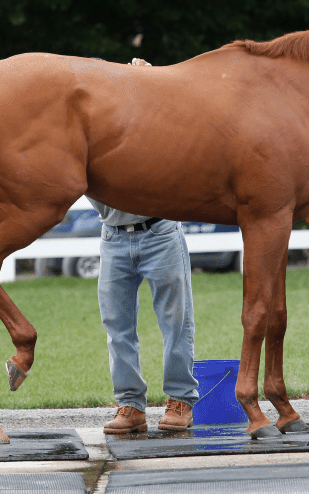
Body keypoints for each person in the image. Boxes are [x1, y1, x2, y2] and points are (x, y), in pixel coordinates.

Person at [94, 58, 199, 434]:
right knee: (117, 326)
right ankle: (130, 406)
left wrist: (154, 83)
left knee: (176, 322)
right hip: (113, 236)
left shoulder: (158, 124)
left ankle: (180, 401)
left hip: (159, 233)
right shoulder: (98, 127)